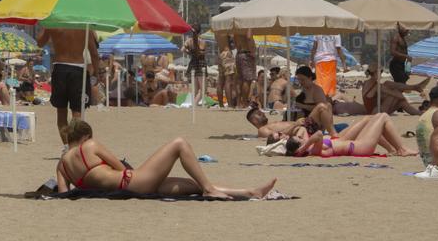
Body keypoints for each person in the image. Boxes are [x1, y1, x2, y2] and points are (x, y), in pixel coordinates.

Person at [56, 119, 277, 199]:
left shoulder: (62, 165)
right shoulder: (90, 145)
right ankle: (210, 189)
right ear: (85, 136)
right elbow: (119, 167)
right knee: (179, 143)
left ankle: (250, 192)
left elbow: (65, 193)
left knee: (192, 185)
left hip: (130, 187)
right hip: (132, 182)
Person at [37, 26, 101, 143]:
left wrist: (46, 25)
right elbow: (94, 54)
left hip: (60, 68)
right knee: (77, 114)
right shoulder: (84, 26)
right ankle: (76, 147)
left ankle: (67, 147)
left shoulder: (54, 23)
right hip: (78, 70)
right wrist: (96, 73)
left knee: (61, 114)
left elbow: (40, 42)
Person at [285, 112, 417, 158]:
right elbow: (318, 134)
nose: (303, 138)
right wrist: (303, 147)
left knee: (373, 119)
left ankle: (395, 149)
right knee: (383, 116)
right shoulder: (313, 150)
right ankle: (402, 149)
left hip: (355, 145)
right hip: (360, 148)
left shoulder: (310, 148)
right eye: (300, 140)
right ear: (300, 147)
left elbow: (310, 134)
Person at [361, 63, 427, 114]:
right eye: (380, 71)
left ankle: (415, 88)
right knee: (396, 94)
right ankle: (415, 87)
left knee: (401, 101)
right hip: (377, 112)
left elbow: (374, 98)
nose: (381, 73)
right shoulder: (377, 86)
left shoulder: (366, 83)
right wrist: (402, 94)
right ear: (376, 72)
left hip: (374, 110)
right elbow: (398, 95)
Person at [293, 66, 337, 135]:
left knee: (326, 105)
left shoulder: (317, 90)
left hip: (315, 123)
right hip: (303, 120)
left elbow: (323, 109)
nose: (300, 82)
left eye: (302, 79)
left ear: (310, 78)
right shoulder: (304, 89)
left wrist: (302, 106)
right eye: (299, 80)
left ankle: (331, 132)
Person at [182, 26, 207, 107]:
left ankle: (194, 104)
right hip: (200, 63)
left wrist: (190, 53)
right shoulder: (202, 41)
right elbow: (201, 53)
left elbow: (182, 49)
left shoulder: (189, 41)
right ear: (200, 31)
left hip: (193, 63)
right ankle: (194, 104)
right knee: (203, 89)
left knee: (195, 88)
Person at [235, 38, 257, 109]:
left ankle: (238, 103)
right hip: (246, 53)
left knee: (239, 80)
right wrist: (252, 52)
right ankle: (244, 103)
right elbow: (249, 37)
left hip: (239, 53)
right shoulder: (245, 27)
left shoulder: (236, 27)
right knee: (247, 80)